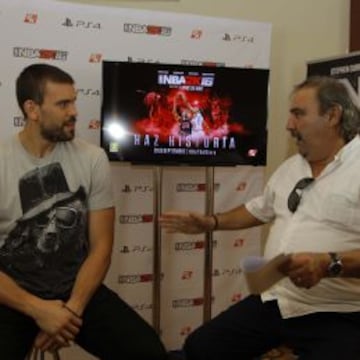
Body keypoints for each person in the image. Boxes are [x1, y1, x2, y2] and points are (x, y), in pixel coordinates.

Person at [160, 76, 360, 360]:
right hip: (276, 302)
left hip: (338, 313)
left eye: (298, 114)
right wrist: (211, 222)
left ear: (332, 115)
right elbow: (259, 209)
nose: (289, 125)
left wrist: (329, 263)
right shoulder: (292, 167)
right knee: (200, 348)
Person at [0, 63, 167, 360]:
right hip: (12, 295)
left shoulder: (92, 158)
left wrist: (70, 312)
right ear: (32, 109)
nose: (74, 111)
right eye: (63, 103)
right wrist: (38, 309)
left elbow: (101, 247)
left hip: (76, 291)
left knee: (149, 352)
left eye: (74, 101)